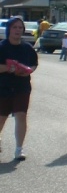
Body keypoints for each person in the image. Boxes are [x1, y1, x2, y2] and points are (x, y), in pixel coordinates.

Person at [0, 17, 39, 161]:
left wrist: (28, 70)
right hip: (3, 87)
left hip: (22, 87)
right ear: (9, 29)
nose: (18, 30)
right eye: (15, 27)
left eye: (20, 28)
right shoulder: (2, 47)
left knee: (21, 115)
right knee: (1, 118)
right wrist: (9, 68)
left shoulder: (27, 48)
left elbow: (34, 64)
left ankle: (19, 149)